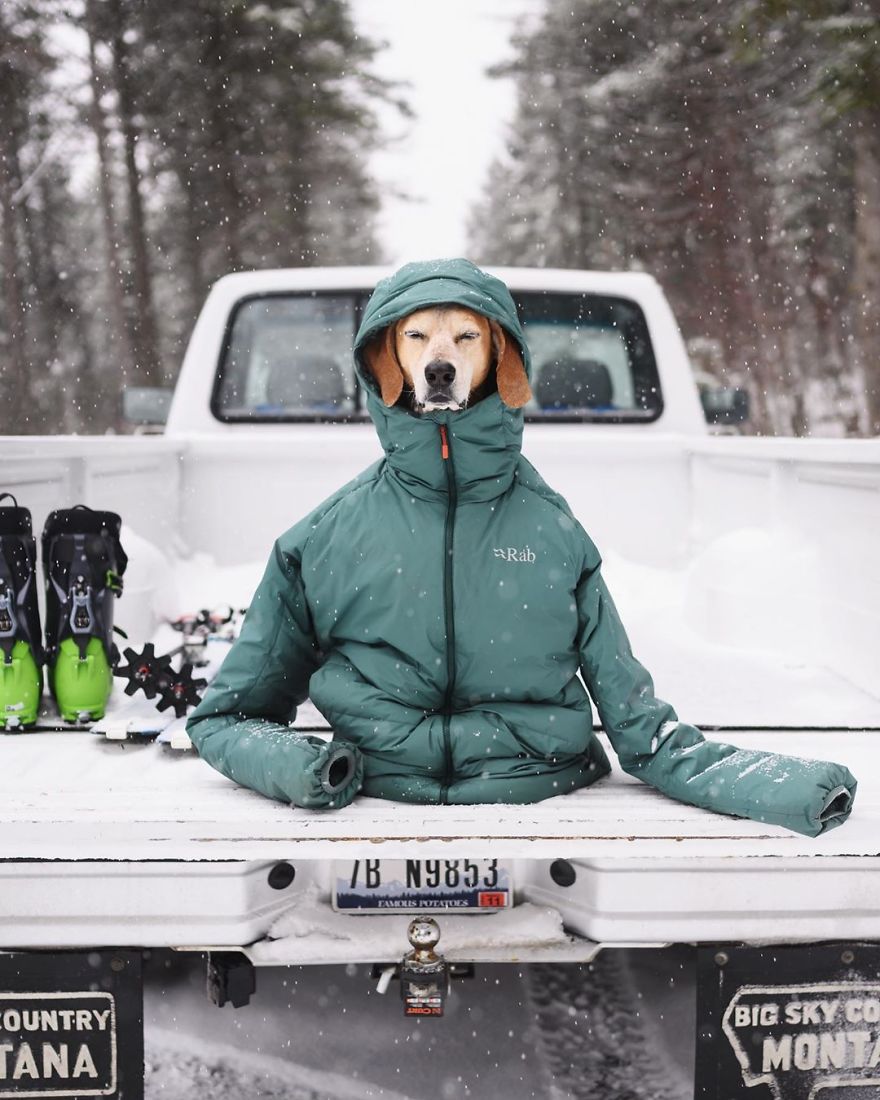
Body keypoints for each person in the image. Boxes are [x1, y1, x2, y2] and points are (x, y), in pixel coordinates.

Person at [186, 259, 855, 837]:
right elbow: (227, 717)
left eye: (464, 337)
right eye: (417, 336)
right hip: (373, 786)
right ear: (385, 362)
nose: (439, 357)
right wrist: (303, 769)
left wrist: (792, 788)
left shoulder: (554, 533)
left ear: (500, 359)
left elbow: (642, 732)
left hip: (544, 787)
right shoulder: (322, 538)